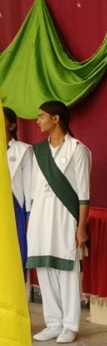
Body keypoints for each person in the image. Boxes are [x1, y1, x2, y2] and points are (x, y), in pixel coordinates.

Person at [27, 100, 90, 344]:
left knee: (67, 269)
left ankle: (70, 324)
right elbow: (33, 190)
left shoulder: (77, 150)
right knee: (44, 268)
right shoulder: (38, 152)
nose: (38, 120)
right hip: (41, 218)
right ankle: (53, 322)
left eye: (42, 116)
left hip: (66, 218)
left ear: (56, 119)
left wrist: (81, 227)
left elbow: (84, 194)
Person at [5, 105, 33, 277]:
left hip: (15, 207)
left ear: (13, 125)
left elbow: (29, 187)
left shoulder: (23, 150)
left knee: (15, 253)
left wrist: (29, 216)